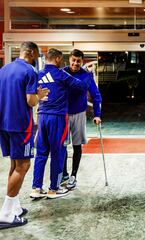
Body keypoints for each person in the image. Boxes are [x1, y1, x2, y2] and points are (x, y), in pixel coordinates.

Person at [0, 42, 49, 229]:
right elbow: (30, 101)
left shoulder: (3, 70)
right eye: (36, 54)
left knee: (15, 164)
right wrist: (40, 95)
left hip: (3, 123)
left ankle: (14, 207)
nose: (37, 58)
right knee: (23, 165)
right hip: (20, 124)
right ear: (30, 52)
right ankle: (5, 214)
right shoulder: (30, 71)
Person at [30, 48, 89, 199]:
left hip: (42, 117)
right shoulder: (62, 74)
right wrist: (86, 73)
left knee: (41, 152)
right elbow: (82, 86)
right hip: (58, 118)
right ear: (57, 59)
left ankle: (36, 189)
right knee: (58, 152)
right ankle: (53, 189)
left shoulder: (38, 74)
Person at [61, 49, 102, 190]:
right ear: (69, 60)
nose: (75, 63)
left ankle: (73, 176)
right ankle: (63, 174)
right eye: (73, 60)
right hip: (63, 114)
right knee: (63, 145)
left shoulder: (87, 76)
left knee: (77, 145)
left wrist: (97, 114)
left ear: (82, 62)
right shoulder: (62, 72)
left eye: (78, 61)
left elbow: (96, 96)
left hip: (79, 114)